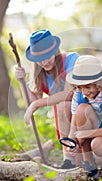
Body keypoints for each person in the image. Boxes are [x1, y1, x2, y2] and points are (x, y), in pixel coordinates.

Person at [14, 29, 79, 169]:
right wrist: (22, 82)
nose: (44, 62)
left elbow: (69, 94)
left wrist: (38, 103)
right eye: (40, 59)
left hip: (87, 111)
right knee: (61, 107)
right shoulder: (39, 72)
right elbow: (31, 103)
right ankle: (69, 160)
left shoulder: (72, 60)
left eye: (48, 56)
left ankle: (76, 156)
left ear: (55, 51)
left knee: (63, 104)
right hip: (64, 118)